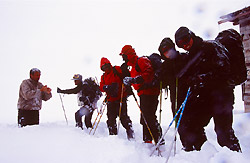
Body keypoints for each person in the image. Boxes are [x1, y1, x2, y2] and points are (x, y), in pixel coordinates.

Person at [174, 26, 241, 152]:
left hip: (222, 95)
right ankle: (205, 155)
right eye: (180, 44)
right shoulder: (190, 57)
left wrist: (201, 78)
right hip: (206, 97)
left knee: (223, 134)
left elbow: (224, 71)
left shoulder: (210, 47)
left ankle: (235, 157)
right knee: (193, 125)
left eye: (186, 40)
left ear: (191, 35)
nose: (185, 45)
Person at [120, 45, 164, 145]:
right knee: (145, 117)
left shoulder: (141, 60)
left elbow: (148, 73)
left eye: (123, 55)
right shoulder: (132, 66)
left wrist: (133, 80)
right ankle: (148, 140)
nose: (123, 58)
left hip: (150, 92)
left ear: (128, 55)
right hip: (143, 93)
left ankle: (159, 140)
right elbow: (138, 79)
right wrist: (130, 83)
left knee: (148, 116)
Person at [99, 57, 134, 140]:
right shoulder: (103, 76)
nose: (105, 68)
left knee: (124, 118)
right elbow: (101, 86)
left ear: (109, 64)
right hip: (110, 101)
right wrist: (106, 87)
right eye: (103, 67)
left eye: (106, 66)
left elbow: (125, 75)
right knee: (111, 120)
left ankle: (130, 134)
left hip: (120, 99)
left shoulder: (117, 69)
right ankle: (113, 137)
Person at [158, 37, 189, 117]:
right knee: (177, 117)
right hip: (174, 96)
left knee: (191, 121)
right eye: (164, 51)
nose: (167, 53)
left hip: (188, 94)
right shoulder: (165, 65)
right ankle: (178, 129)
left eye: (168, 49)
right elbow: (164, 82)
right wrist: (161, 79)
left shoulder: (184, 57)